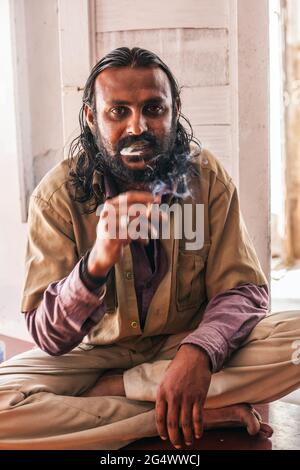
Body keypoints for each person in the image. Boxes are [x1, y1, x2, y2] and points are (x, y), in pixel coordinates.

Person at [0, 47, 299, 450]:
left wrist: (198, 352)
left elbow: (244, 290)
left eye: (153, 108)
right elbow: (49, 337)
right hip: (93, 357)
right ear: (91, 118)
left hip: (183, 341)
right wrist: (97, 263)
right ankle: (163, 414)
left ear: (175, 110)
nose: (137, 126)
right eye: (118, 111)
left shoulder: (205, 179)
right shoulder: (57, 196)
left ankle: (115, 395)